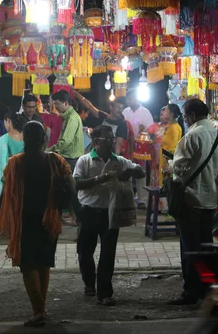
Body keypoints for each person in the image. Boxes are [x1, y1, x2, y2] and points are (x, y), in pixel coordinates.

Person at [0, 121, 74, 327]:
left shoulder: (15, 163)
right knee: (43, 263)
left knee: (27, 264)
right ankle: (41, 309)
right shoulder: (55, 161)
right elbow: (72, 187)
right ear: (44, 139)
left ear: (25, 138)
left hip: (25, 220)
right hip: (49, 220)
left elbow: (7, 194)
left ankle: (38, 310)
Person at [74, 125, 145, 306]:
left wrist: (127, 173)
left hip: (110, 213)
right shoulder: (84, 161)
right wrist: (100, 179)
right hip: (88, 211)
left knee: (107, 254)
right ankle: (89, 283)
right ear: (96, 142)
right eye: (108, 139)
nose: (113, 141)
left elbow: (140, 171)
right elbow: (77, 184)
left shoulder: (119, 161)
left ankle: (105, 292)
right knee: (84, 252)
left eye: (113, 138)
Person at [168, 98, 218, 305]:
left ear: (192, 116)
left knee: (190, 247)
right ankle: (205, 287)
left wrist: (170, 164)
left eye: (185, 116)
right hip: (210, 197)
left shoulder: (191, 137)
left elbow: (178, 168)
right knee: (206, 246)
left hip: (190, 198)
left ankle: (190, 291)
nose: (185, 120)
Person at [73, 89, 133, 157]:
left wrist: (114, 160)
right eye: (118, 107)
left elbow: (118, 144)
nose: (120, 110)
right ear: (111, 107)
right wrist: (78, 95)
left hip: (108, 155)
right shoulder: (104, 117)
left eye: (121, 108)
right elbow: (90, 107)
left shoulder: (122, 124)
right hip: (96, 152)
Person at [122, 88, 154, 206]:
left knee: (141, 173)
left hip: (140, 147)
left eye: (130, 99)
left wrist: (143, 130)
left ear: (136, 99)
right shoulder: (125, 111)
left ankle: (143, 199)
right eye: (127, 99)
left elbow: (151, 130)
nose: (128, 101)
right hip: (128, 145)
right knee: (127, 171)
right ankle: (129, 198)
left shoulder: (145, 112)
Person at [147, 104, 184, 188]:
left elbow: (172, 148)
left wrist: (166, 164)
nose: (163, 112)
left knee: (164, 186)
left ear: (171, 114)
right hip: (162, 159)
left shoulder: (174, 128)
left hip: (166, 162)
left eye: (166, 110)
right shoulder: (171, 126)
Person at [48, 90, 85, 171]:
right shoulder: (68, 116)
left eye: (57, 104)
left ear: (65, 103)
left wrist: (48, 151)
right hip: (70, 159)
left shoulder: (72, 118)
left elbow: (65, 141)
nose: (55, 107)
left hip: (71, 160)